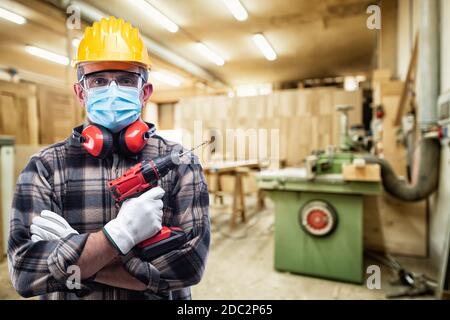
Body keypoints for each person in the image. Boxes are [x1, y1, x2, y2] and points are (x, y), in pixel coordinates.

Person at [7, 16, 210, 300]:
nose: (112, 91)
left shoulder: (179, 163)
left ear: (145, 92)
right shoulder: (45, 167)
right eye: (99, 80)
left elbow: (188, 267)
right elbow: (25, 273)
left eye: (126, 80)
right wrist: (119, 235)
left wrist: (76, 254)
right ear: (81, 92)